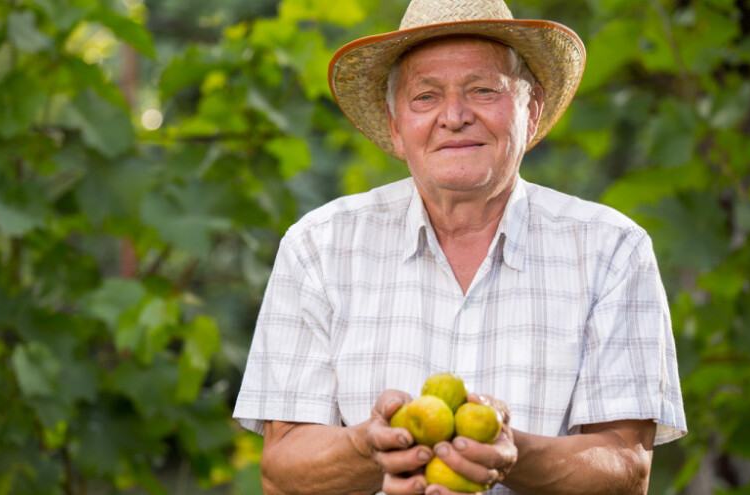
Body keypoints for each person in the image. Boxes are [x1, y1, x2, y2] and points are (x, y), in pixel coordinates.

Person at [233, 0, 687, 493]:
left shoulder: (612, 250)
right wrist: (370, 447)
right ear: (394, 125)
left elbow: (627, 467)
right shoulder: (317, 247)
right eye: (425, 96)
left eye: (483, 90)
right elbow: (281, 470)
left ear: (530, 112)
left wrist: (512, 451)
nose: (453, 116)